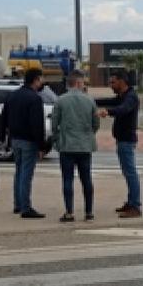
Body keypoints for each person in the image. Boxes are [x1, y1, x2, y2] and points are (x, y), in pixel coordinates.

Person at [51, 69, 99, 223]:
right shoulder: (90, 100)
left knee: (67, 179)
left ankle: (69, 212)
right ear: (78, 83)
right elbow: (96, 123)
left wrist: (57, 140)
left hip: (67, 146)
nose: (84, 85)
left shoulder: (60, 100)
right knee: (86, 179)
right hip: (85, 146)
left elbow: (54, 124)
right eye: (83, 82)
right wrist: (89, 134)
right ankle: (89, 211)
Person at [1, 67, 47, 219]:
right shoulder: (34, 98)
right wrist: (41, 145)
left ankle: (18, 204)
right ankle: (26, 208)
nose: (42, 82)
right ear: (35, 80)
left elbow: (4, 117)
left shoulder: (13, 95)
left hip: (15, 139)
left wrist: (5, 137)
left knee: (19, 172)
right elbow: (37, 124)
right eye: (41, 79)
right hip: (29, 140)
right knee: (26, 174)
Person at [97, 69, 142, 217]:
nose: (111, 85)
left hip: (126, 141)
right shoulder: (122, 96)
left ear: (122, 81)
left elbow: (123, 109)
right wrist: (90, 100)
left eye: (113, 82)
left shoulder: (131, 97)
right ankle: (131, 202)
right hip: (122, 140)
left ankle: (135, 206)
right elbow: (109, 101)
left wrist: (108, 112)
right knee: (127, 172)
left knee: (130, 173)